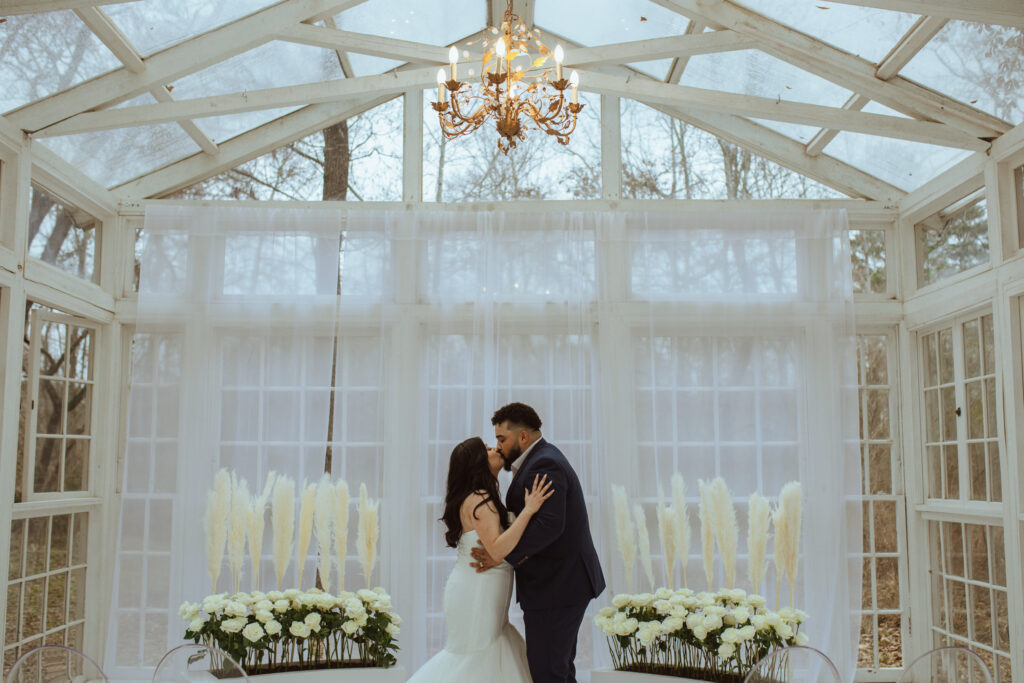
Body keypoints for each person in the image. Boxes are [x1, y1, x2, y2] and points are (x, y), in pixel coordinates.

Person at [471, 402, 606, 683]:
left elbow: (549, 526)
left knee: (548, 672)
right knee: (557, 670)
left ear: (522, 437)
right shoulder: (539, 460)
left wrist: (502, 556)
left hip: (559, 586)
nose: (498, 447)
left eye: (501, 439)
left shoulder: (544, 463)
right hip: (559, 585)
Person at [406, 436, 554, 683]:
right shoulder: (479, 499)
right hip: (476, 592)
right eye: (486, 448)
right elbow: (496, 550)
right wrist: (529, 510)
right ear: (476, 463)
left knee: (491, 651)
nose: (495, 448)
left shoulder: (484, 496)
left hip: (484, 588)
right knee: (474, 657)